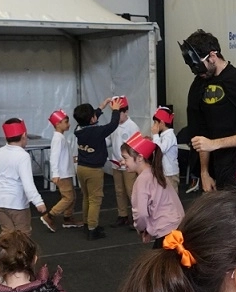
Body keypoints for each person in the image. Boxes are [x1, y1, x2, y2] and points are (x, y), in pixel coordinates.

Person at [182, 29, 236, 193]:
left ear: (213, 56)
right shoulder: (198, 86)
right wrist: (204, 172)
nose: (197, 72)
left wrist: (214, 144)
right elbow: (200, 133)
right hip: (215, 172)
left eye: (199, 65)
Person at [0, 119, 48, 233]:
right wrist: (38, 202)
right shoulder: (23, 156)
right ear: (24, 136)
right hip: (16, 203)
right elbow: (28, 183)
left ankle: (4, 245)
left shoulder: (0, 151)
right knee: (23, 233)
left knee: (7, 233)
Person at [123, 132, 183, 244]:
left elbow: (141, 214)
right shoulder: (157, 174)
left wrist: (141, 228)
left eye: (125, 158)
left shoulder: (142, 180)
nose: (123, 162)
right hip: (178, 225)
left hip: (166, 231)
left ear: (140, 158)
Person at [73, 98, 119, 240]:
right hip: (94, 170)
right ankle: (92, 229)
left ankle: (87, 223)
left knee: (86, 197)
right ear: (93, 119)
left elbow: (89, 120)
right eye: (94, 115)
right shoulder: (97, 132)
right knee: (95, 199)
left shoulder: (79, 129)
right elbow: (113, 125)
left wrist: (100, 107)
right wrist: (115, 110)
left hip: (81, 167)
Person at [105, 97, 140, 228]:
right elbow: (109, 140)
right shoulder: (113, 125)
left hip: (129, 165)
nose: (116, 115)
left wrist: (128, 160)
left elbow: (136, 146)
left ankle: (137, 216)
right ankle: (122, 215)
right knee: (119, 191)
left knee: (131, 191)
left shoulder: (132, 126)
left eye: (119, 112)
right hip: (116, 163)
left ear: (126, 112)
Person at [44, 109, 78, 232]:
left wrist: (72, 159)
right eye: (66, 122)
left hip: (65, 172)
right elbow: (54, 156)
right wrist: (56, 173)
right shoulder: (58, 139)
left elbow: (62, 155)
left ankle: (68, 218)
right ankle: (50, 215)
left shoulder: (60, 137)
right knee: (68, 197)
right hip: (62, 174)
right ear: (57, 124)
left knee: (72, 196)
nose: (68, 124)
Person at [152, 105, 180, 189]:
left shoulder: (169, 136)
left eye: (155, 122)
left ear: (161, 123)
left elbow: (161, 149)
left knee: (172, 194)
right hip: (165, 171)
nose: (154, 125)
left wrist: (155, 135)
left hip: (170, 173)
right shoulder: (164, 135)